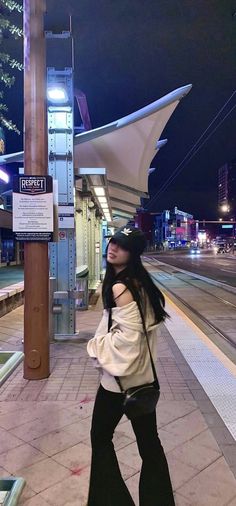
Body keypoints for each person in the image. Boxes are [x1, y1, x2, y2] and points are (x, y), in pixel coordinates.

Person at [86, 226, 175, 506]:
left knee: (100, 438)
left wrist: (95, 346)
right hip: (144, 380)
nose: (113, 248)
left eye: (122, 246)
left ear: (132, 254)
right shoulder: (141, 282)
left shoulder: (120, 286)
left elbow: (129, 339)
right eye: (113, 242)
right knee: (150, 445)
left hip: (119, 383)